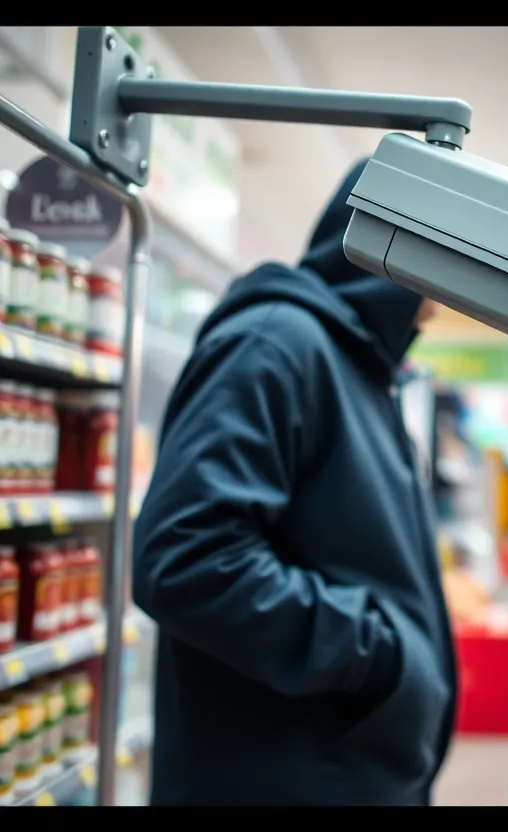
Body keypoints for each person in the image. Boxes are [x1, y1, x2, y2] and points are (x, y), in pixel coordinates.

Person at [131, 159, 455, 806]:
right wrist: (378, 657)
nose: (443, 306)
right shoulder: (277, 345)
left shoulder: (360, 367)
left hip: (334, 770)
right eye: (453, 264)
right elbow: (188, 559)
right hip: (284, 775)